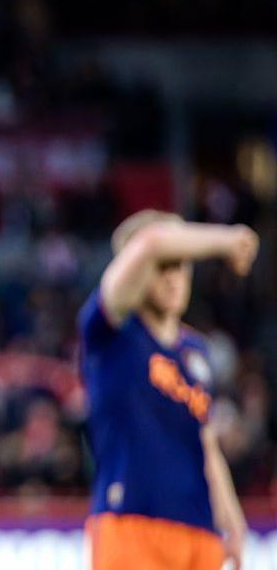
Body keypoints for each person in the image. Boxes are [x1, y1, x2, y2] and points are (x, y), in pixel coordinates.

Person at [79, 210, 255, 570]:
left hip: (198, 530)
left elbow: (204, 441)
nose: (175, 279)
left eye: (182, 266)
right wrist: (228, 240)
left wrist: (231, 517)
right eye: (164, 267)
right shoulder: (111, 332)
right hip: (132, 523)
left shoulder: (196, 352)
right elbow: (151, 242)